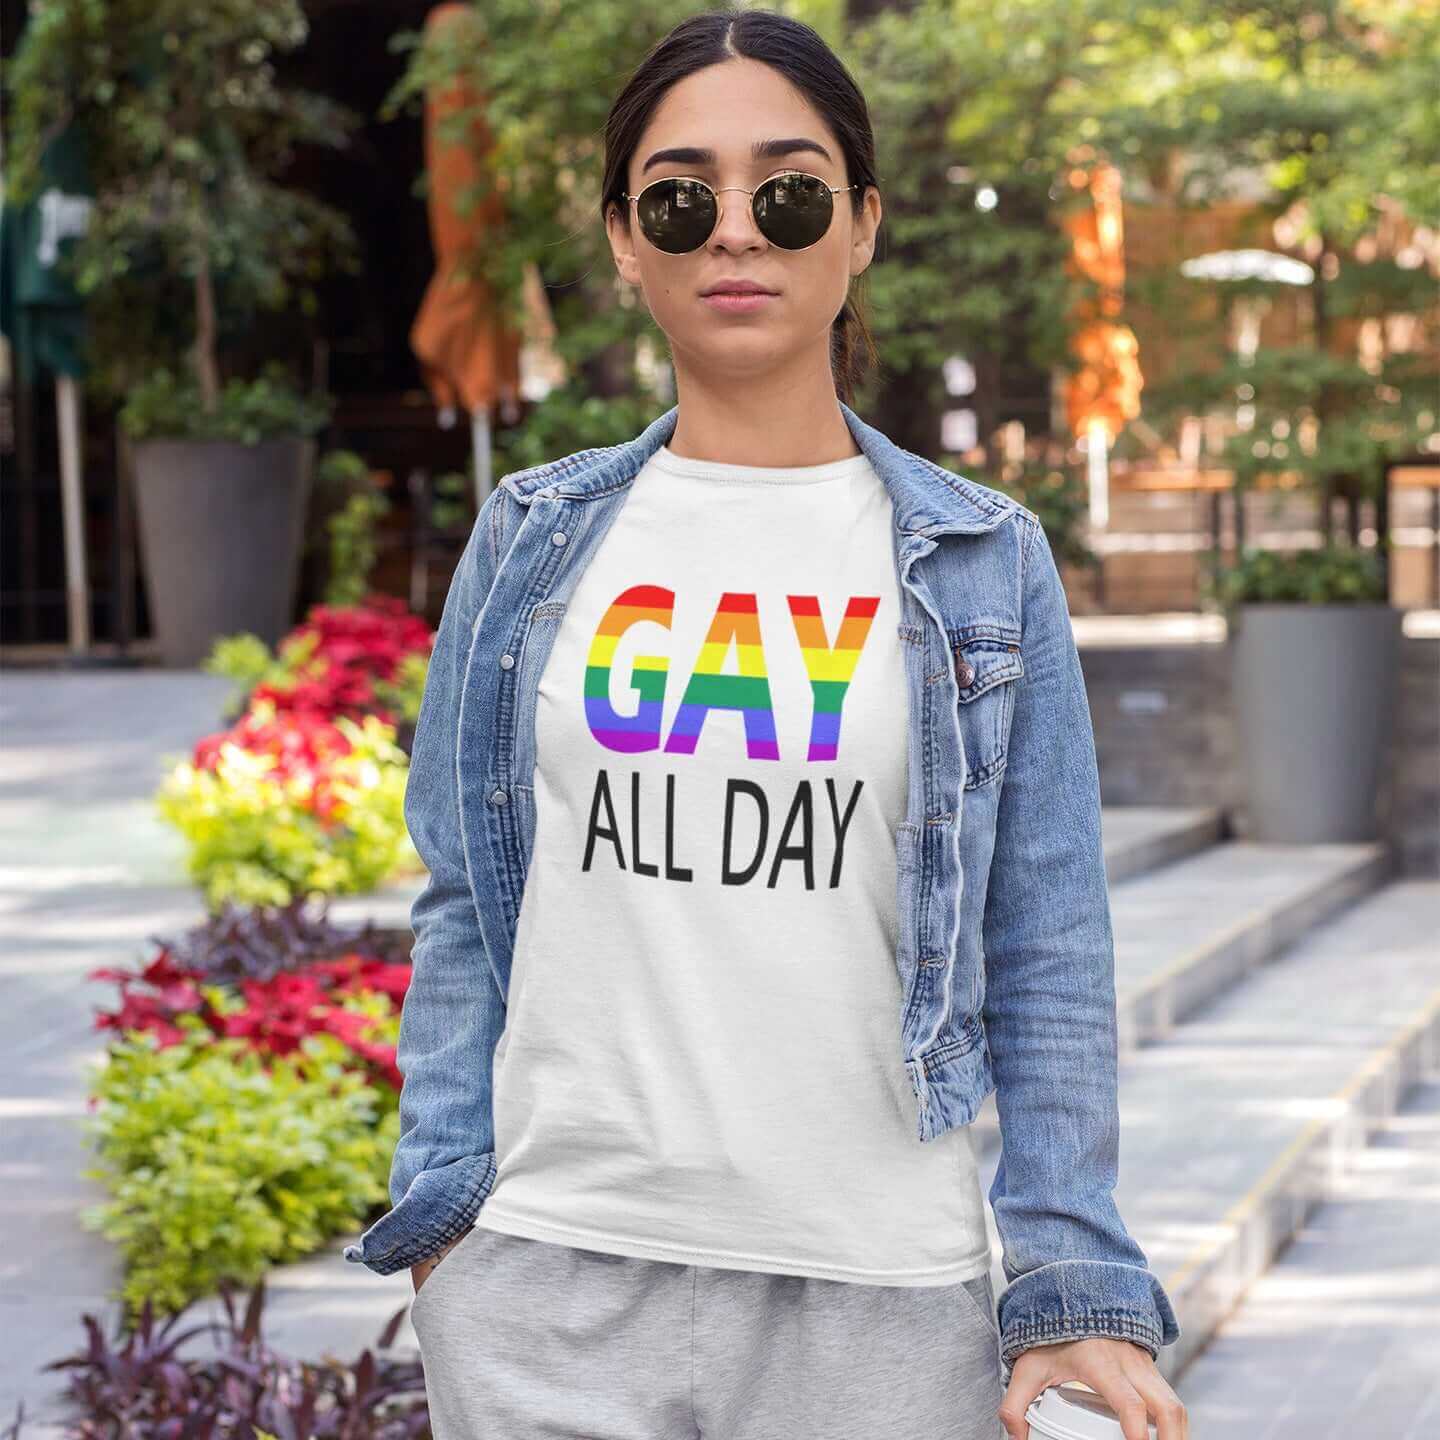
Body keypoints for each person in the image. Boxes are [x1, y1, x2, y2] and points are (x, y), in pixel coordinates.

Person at [343, 10, 1187, 1440]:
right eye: (681, 199)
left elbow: (1045, 944)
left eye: (787, 193)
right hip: (553, 1289)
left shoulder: (983, 560)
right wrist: (449, 1237)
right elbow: (463, 908)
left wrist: (1077, 1286)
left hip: (877, 1304)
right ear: (624, 240)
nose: (735, 232)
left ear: (859, 225)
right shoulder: (531, 540)